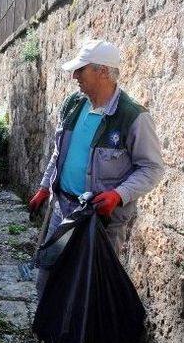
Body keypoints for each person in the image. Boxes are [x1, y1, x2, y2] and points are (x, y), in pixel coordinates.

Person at [28, 39, 164, 295]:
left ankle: (83, 336)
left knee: (89, 288)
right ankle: (47, 332)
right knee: (49, 277)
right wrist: (45, 188)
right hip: (62, 210)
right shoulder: (73, 105)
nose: (74, 75)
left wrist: (118, 195)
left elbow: (152, 168)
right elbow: (59, 152)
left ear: (103, 71)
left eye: (82, 69)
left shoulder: (132, 116)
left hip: (100, 222)